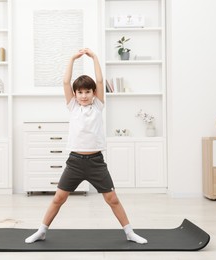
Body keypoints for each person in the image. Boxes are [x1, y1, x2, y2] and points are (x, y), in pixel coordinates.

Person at [25, 48, 147, 245]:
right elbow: (65, 82)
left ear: (93, 93)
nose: (83, 96)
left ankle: (129, 232)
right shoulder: (72, 106)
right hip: (75, 162)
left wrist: (95, 58)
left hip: (96, 162)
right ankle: (41, 230)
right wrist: (72, 58)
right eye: (80, 92)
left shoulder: (98, 106)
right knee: (58, 199)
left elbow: (100, 81)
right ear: (75, 94)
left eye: (87, 92)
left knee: (112, 199)